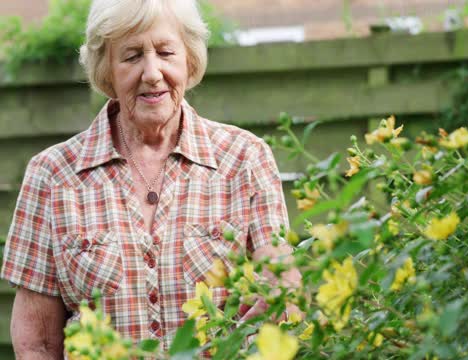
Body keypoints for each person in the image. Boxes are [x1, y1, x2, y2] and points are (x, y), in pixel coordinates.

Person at [1, 0, 301, 357]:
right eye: (131, 56)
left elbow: (282, 295)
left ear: (188, 60)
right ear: (106, 70)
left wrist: (280, 293)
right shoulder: (52, 175)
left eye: (165, 52)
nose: (152, 72)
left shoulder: (244, 159)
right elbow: (37, 342)